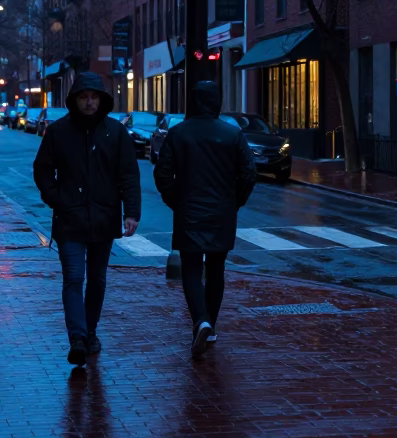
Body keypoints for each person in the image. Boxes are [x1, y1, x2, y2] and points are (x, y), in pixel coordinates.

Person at [33, 72, 141, 366]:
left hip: (103, 218)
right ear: (75, 100)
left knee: (97, 280)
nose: (89, 102)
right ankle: (78, 338)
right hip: (70, 219)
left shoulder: (115, 132)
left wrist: (131, 211)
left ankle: (90, 330)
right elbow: (42, 170)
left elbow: (128, 174)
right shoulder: (59, 132)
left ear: (102, 99)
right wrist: (56, 198)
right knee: (73, 278)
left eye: (94, 97)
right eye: (84, 97)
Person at [153, 81, 256, 359]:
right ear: (217, 101)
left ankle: (200, 320)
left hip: (189, 211)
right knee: (216, 269)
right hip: (222, 212)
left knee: (190, 269)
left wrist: (177, 201)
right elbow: (248, 173)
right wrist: (234, 203)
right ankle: (209, 325)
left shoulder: (178, 133)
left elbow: (162, 174)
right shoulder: (232, 134)